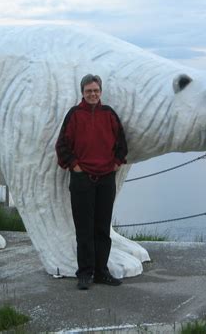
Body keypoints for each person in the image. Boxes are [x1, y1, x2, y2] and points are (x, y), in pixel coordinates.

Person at [55, 74, 128, 290]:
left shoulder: (109, 114)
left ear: (101, 91)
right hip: (82, 180)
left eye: (96, 90)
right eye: (89, 91)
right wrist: (75, 166)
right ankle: (85, 274)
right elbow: (62, 146)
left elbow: (122, 144)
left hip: (106, 179)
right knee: (84, 230)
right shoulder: (74, 115)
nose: (93, 94)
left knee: (102, 229)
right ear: (82, 93)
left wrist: (116, 163)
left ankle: (101, 272)